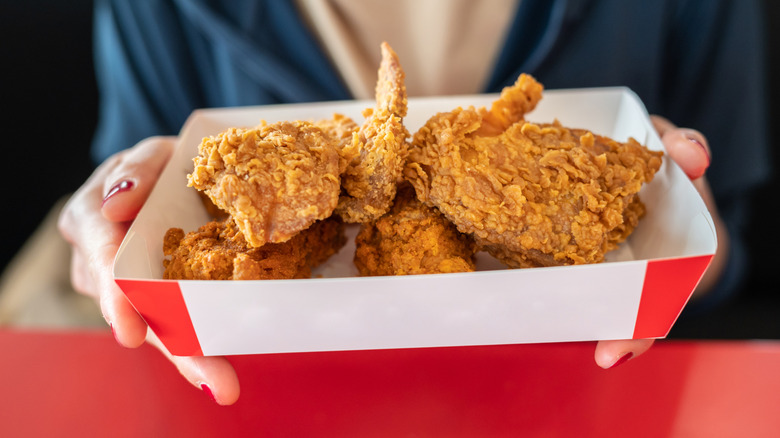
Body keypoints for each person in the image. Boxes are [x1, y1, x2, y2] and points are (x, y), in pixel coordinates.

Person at [56, 0, 769, 405]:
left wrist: (686, 238)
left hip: (592, 394)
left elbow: (732, 252)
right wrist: (111, 244)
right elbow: (127, 212)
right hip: (263, 401)